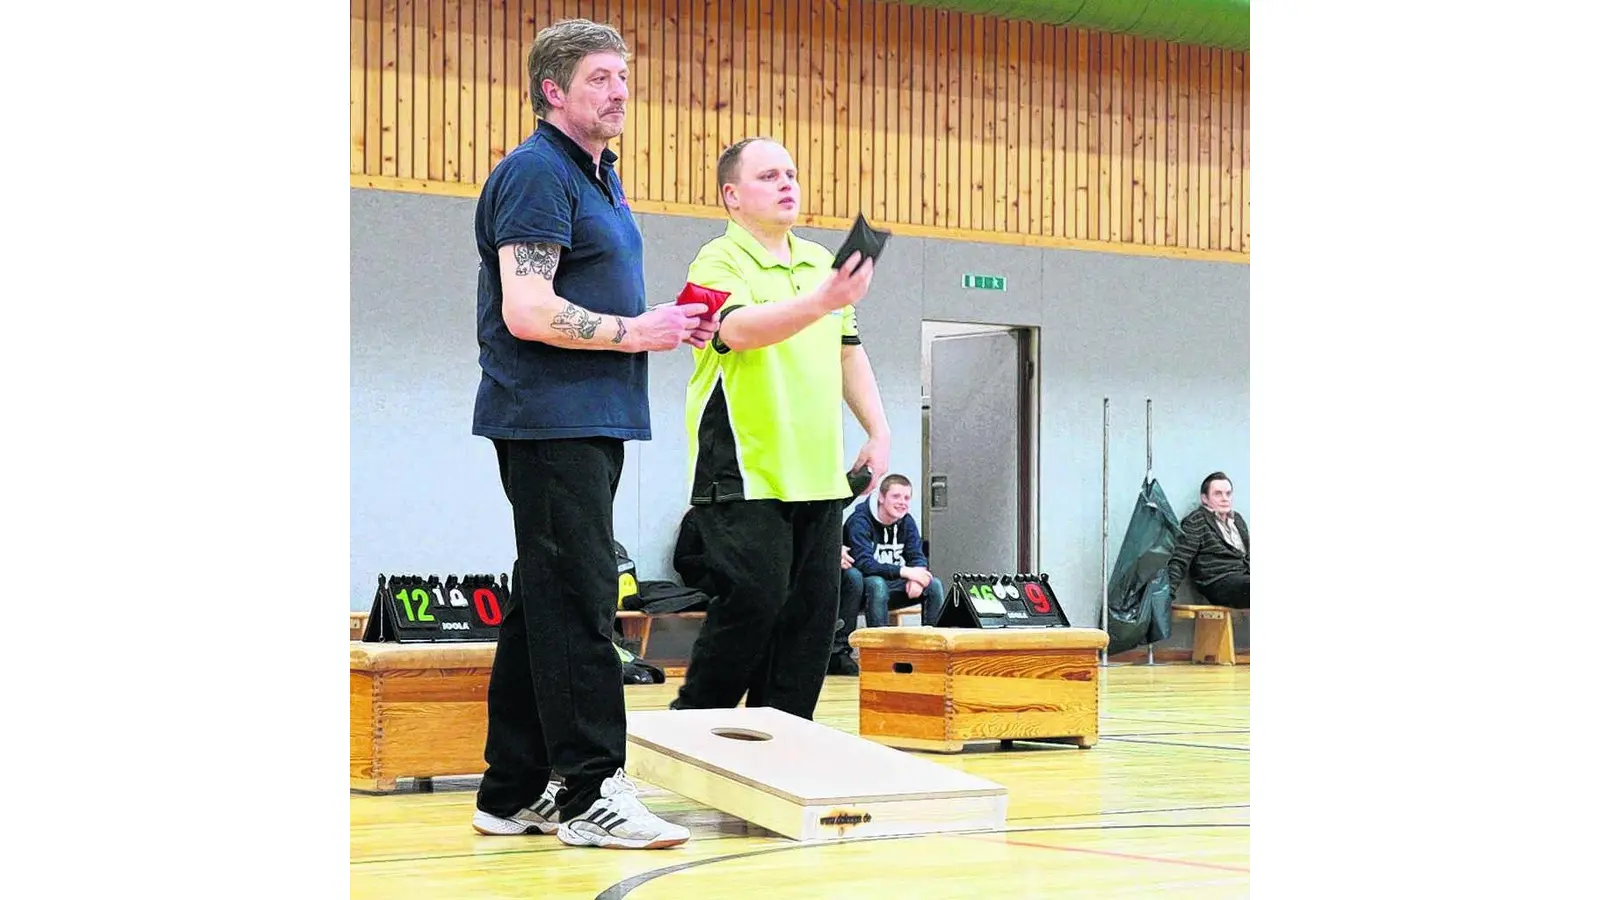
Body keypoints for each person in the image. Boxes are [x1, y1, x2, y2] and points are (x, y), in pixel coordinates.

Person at [468, 18, 712, 851]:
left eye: (623, 76)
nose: (619, 91)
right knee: (580, 597)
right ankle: (590, 792)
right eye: (600, 78)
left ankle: (511, 792)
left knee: (546, 597)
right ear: (553, 91)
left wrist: (662, 324)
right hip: (548, 417)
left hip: (592, 414)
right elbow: (528, 308)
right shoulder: (537, 172)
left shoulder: (599, 175)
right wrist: (634, 332)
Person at [670, 136, 889, 719]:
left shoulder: (820, 263)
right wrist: (822, 301)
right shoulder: (715, 261)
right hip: (743, 469)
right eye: (768, 176)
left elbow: (848, 350)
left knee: (809, 622)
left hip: (817, 474)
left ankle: (784, 741)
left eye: (790, 173)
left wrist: (878, 429)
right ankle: (693, 724)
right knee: (753, 602)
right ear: (732, 195)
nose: (787, 183)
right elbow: (735, 331)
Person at [844, 474, 947, 628]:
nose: (902, 502)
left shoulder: (907, 521)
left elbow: (917, 556)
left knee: (933, 585)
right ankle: (881, 643)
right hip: (862, 588)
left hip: (892, 585)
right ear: (881, 497)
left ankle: (933, 641)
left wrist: (916, 577)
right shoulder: (859, 522)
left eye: (907, 498)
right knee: (877, 584)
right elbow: (864, 564)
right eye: (896, 496)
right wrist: (906, 572)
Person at [1163, 471, 1250, 609]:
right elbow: (1180, 559)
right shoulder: (1197, 520)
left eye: (1228, 494)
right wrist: (1165, 597)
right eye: (1218, 494)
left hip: (1243, 578)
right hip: (1218, 581)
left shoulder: (1237, 520)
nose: (1225, 498)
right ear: (1204, 498)